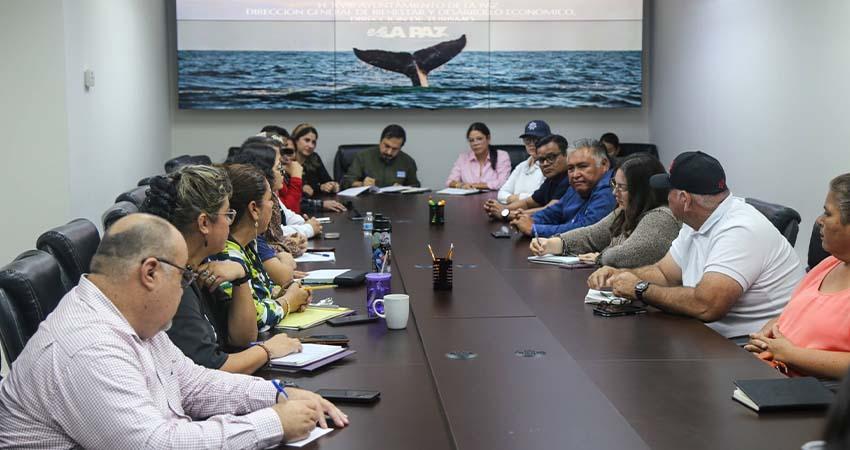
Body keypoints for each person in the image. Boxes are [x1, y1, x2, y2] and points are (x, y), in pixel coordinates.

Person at [0, 214, 348, 448]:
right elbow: (156, 445)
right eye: (184, 276)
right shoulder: (87, 346)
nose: (186, 289)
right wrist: (273, 423)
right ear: (150, 272)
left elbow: (192, 383)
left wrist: (276, 395)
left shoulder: (129, 319)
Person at [588, 151, 805, 338]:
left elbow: (707, 306)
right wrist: (621, 275)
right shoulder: (696, 221)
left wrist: (640, 288)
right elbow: (665, 273)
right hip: (707, 336)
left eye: (668, 191)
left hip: (748, 348)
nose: (664, 197)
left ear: (684, 199)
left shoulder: (740, 229)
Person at [142, 166, 303, 374]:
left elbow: (242, 337)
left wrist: (241, 277)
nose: (230, 223)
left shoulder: (198, 268)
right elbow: (210, 369)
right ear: (204, 223)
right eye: (227, 214)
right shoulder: (175, 286)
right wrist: (267, 350)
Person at [744, 174, 850, 378]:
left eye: (828, 214)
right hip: (773, 371)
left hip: (815, 390)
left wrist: (789, 354)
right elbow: (799, 313)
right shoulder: (829, 263)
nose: (819, 220)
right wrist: (770, 331)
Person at [209, 164, 311, 344]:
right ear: (254, 209)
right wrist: (289, 301)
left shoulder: (248, 244)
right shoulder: (227, 255)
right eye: (270, 198)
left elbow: (261, 291)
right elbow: (256, 318)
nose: (273, 204)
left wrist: (285, 292)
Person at [530, 154, 681, 268]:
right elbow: (592, 235)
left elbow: (630, 254)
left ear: (642, 191)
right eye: (614, 184)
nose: (615, 192)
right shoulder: (625, 211)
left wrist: (600, 257)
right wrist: (553, 243)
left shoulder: (661, 216)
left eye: (622, 187)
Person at [227, 143, 316, 285]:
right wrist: (284, 257)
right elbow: (282, 277)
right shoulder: (249, 240)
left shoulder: (250, 241)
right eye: (278, 167)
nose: (273, 205)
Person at [511, 138, 616, 237]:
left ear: (604, 164)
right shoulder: (578, 185)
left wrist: (534, 229)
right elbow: (554, 212)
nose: (575, 175)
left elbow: (587, 230)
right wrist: (529, 220)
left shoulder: (611, 189)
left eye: (583, 166)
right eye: (571, 168)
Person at [484, 134, 570, 221]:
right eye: (541, 160)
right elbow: (527, 203)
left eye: (551, 157)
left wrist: (506, 213)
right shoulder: (552, 179)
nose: (545, 164)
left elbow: (549, 211)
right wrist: (502, 208)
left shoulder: (569, 178)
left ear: (565, 155)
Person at [342, 124, 420, 188]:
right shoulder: (363, 156)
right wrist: (362, 184)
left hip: (396, 201)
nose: (389, 152)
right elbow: (346, 183)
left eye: (395, 149)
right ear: (380, 141)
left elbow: (415, 186)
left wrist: (403, 188)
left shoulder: (408, 161)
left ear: (400, 148)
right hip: (367, 200)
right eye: (387, 146)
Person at [290, 123, 347, 213]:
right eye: (307, 140)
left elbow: (327, 180)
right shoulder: (288, 160)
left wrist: (332, 185)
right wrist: (304, 188)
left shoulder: (314, 157)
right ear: (295, 141)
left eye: (313, 142)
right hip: (299, 209)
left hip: (318, 205)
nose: (311, 145)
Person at [494, 120, 548, 204]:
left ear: (547, 141)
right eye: (527, 140)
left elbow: (540, 197)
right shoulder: (521, 166)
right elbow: (501, 194)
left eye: (536, 140)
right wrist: (521, 198)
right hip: (514, 209)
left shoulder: (549, 166)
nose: (531, 144)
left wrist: (515, 197)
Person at [446, 122, 511, 190]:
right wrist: (461, 185)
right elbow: (450, 181)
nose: (475, 143)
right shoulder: (463, 158)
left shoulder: (501, 156)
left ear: (488, 138)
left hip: (493, 196)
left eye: (479, 139)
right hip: (469, 196)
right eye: (471, 140)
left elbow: (502, 183)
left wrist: (475, 186)